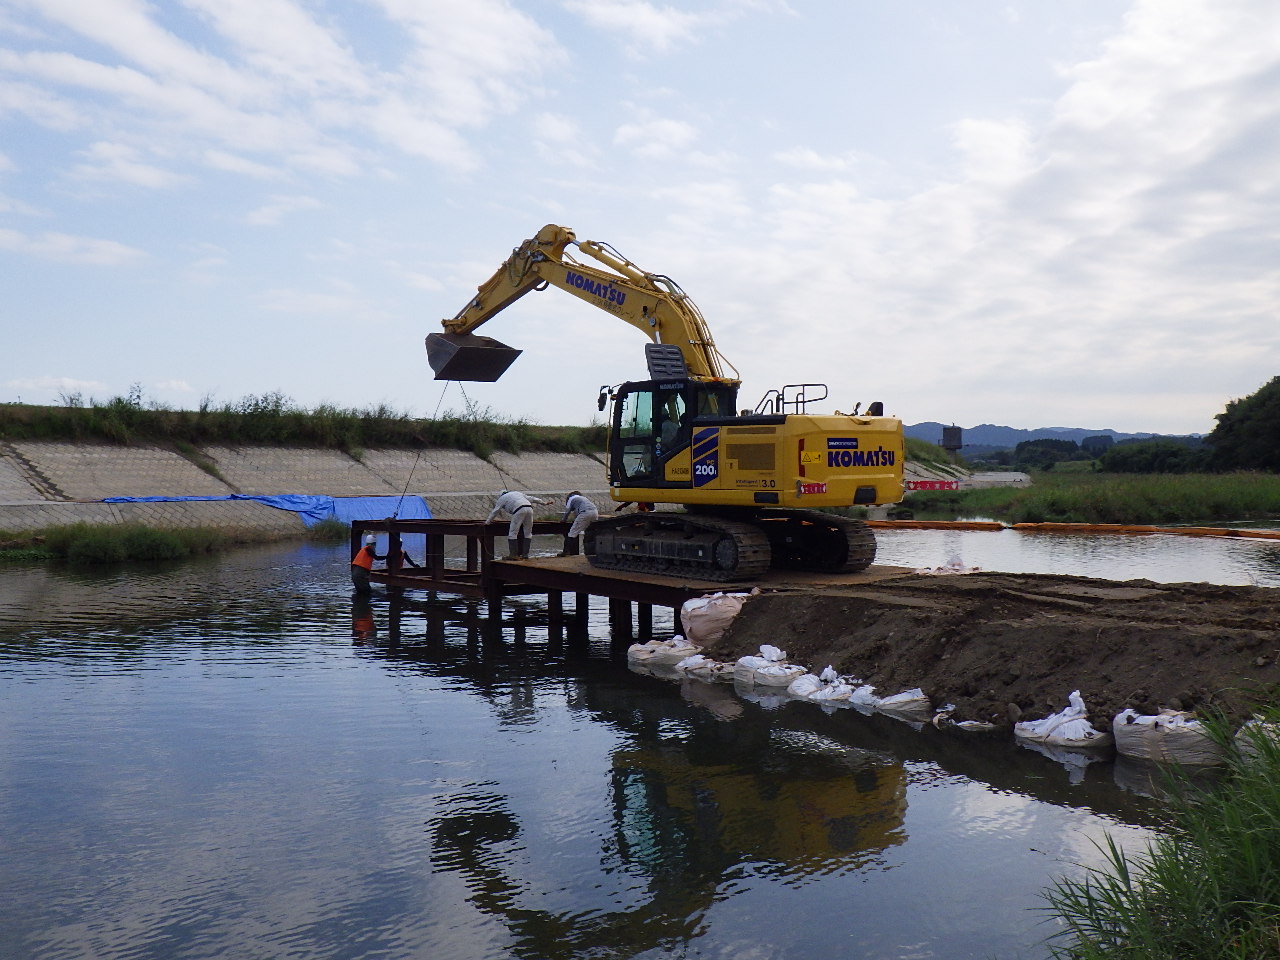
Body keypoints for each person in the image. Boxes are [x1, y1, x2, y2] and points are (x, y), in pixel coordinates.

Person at [487, 490, 535, 560]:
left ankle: (513, 555)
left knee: (512, 534)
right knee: (528, 533)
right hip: (530, 509)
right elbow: (532, 499)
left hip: (519, 509)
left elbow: (495, 511)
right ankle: (525, 555)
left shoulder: (502, 498)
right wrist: (544, 503)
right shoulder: (517, 493)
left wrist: (487, 522)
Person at [559, 491, 598, 556]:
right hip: (595, 513)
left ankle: (566, 552)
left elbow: (567, 512)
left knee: (572, 534)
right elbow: (577, 512)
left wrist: (563, 520)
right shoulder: (583, 498)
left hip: (585, 513)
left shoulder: (571, 499)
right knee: (590, 532)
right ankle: (591, 552)